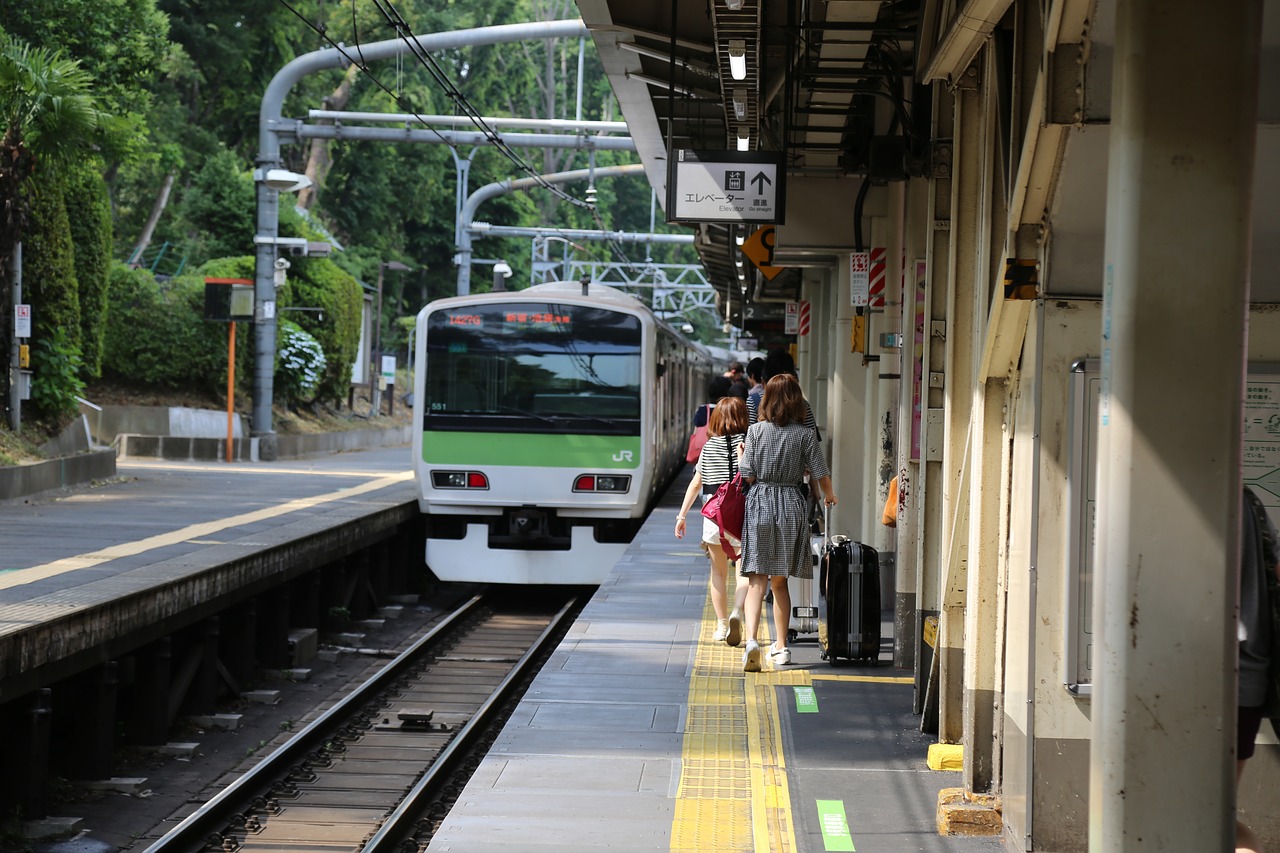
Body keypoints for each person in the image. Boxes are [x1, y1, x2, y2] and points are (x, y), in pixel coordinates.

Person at [737, 374, 837, 671]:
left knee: (757, 580)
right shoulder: (805, 435)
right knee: (780, 583)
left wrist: (745, 457)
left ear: (767, 400)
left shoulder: (755, 432)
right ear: (797, 401)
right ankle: (781, 647)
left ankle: (752, 642)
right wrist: (829, 496)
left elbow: (747, 475)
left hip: (761, 503)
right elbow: (820, 470)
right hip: (791, 504)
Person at [675, 397, 751, 646]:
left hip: (715, 517)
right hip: (743, 515)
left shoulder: (708, 448)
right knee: (744, 571)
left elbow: (696, 484)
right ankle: (738, 611)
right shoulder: (750, 443)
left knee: (717, 573)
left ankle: (720, 626)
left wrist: (682, 516)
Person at [1236, 486, 1278, 852]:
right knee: (1216, 813)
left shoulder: (1180, 495)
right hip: (1247, 679)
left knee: (1209, 813)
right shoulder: (1247, 500)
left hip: (1190, 680)